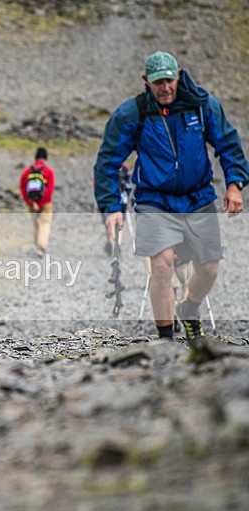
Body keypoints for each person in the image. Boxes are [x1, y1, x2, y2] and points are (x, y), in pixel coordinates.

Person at [94, 51, 248, 344]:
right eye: (157, 83)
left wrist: (234, 184)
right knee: (162, 264)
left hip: (198, 198)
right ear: (146, 81)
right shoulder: (133, 114)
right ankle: (165, 341)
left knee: (209, 268)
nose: (165, 88)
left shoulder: (201, 105)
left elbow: (228, 143)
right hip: (155, 201)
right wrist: (111, 207)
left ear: (178, 75)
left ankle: (189, 308)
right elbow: (106, 164)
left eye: (169, 81)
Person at [20, 147, 55, 258]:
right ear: (45, 158)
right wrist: (41, 203)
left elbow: (23, 188)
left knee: (36, 225)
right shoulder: (49, 171)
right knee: (45, 223)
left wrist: (31, 202)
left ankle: (37, 247)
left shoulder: (27, 172)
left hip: (32, 204)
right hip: (46, 203)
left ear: (35, 157)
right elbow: (49, 190)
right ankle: (41, 247)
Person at [100, 162, 133, 256]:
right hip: (122, 198)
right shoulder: (124, 167)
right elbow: (129, 184)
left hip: (108, 199)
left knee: (108, 220)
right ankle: (117, 243)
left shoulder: (104, 166)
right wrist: (127, 193)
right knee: (120, 221)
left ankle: (111, 242)